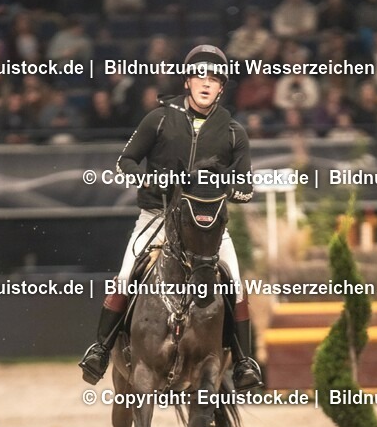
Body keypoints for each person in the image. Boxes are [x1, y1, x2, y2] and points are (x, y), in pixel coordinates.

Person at [79, 44, 263, 391]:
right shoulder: (160, 118)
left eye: (214, 79)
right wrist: (148, 179)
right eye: (200, 77)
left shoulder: (234, 131)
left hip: (207, 224)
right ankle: (100, 350)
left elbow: (245, 183)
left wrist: (237, 189)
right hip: (157, 216)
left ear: (221, 88)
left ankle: (243, 362)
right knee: (125, 274)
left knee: (236, 284)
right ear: (188, 82)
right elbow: (126, 161)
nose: (206, 84)